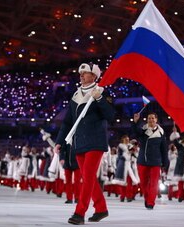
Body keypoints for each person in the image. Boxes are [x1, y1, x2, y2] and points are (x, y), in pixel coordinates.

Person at [54, 63, 115, 225]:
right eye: (80, 73)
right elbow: (67, 123)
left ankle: (79, 213)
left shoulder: (102, 92)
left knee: (87, 178)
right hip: (79, 142)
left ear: (94, 76)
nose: (81, 75)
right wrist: (59, 141)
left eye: (85, 73)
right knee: (88, 178)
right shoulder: (75, 95)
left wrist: (99, 99)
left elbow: (111, 115)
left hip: (96, 141)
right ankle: (101, 209)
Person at [132, 112, 168, 210]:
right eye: (149, 118)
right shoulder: (143, 130)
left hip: (156, 162)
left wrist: (165, 163)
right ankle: (147, 198)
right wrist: (135, 122)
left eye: (153, 118)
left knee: (154, 183)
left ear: (156, 120)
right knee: (143, 183)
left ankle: (151, 202)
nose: (151, 120)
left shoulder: (161, 133)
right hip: (142, 161)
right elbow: (135, 132)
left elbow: (164, 149)